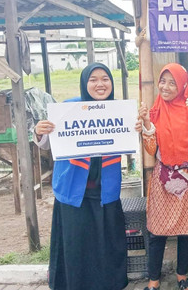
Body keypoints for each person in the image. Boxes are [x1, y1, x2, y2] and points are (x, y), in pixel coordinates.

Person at [34, 63, 132, 290]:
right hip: (74, 191)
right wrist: (40, 132)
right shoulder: (67, 109)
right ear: (84, 83)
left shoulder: (120, 111)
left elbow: (132, 140)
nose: (100, 84)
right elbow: (47, 143)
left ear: (112, 83)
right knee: (76, 246)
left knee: (106, 245)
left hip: (104, 191)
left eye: (105, 79)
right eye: (93, 79)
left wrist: (139, 125)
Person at [138, 63, 188, 290]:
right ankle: (153, 281)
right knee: (158, 228)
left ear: (182, 84)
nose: (165, 87)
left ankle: (182, 276)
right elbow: (151, 149)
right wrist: (146, 123)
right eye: (162, 81)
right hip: (164, 175)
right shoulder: (154, 109)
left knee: (187, 228)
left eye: (172, 82)